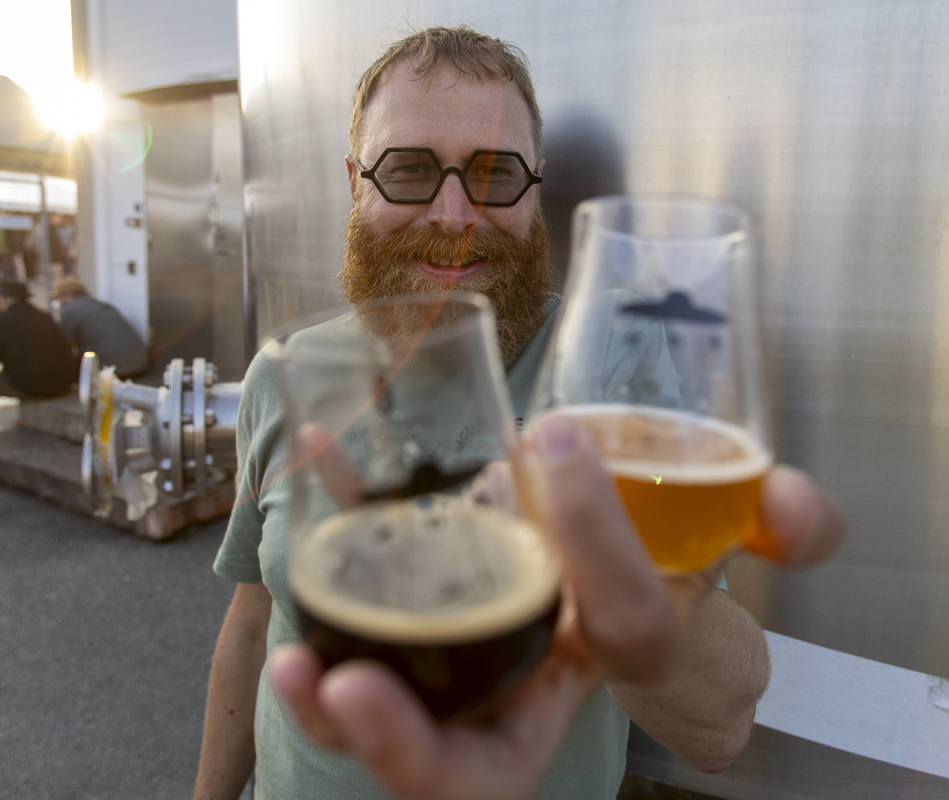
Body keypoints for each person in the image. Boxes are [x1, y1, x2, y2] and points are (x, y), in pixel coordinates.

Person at [194, 26, 846, 800]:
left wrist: (592, 571)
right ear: (354, 182)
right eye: (407, 170)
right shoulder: (284, 375)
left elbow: (719, 728)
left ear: (534, 192)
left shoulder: (606, 374)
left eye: (495, 174)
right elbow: (254, 619)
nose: (453, 214)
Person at [51, 276, 149, 379]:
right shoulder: (102, 305)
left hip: (113, 371)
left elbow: (64, 346)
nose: (59, 302)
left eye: (59, 297)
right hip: (141, 366)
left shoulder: (69, 311)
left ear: (68, 295)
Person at [0, 280, 78, 400]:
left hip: (32, 388)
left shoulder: (5, 321)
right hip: (61, 385)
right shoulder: (44, 317)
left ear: (3, 299)